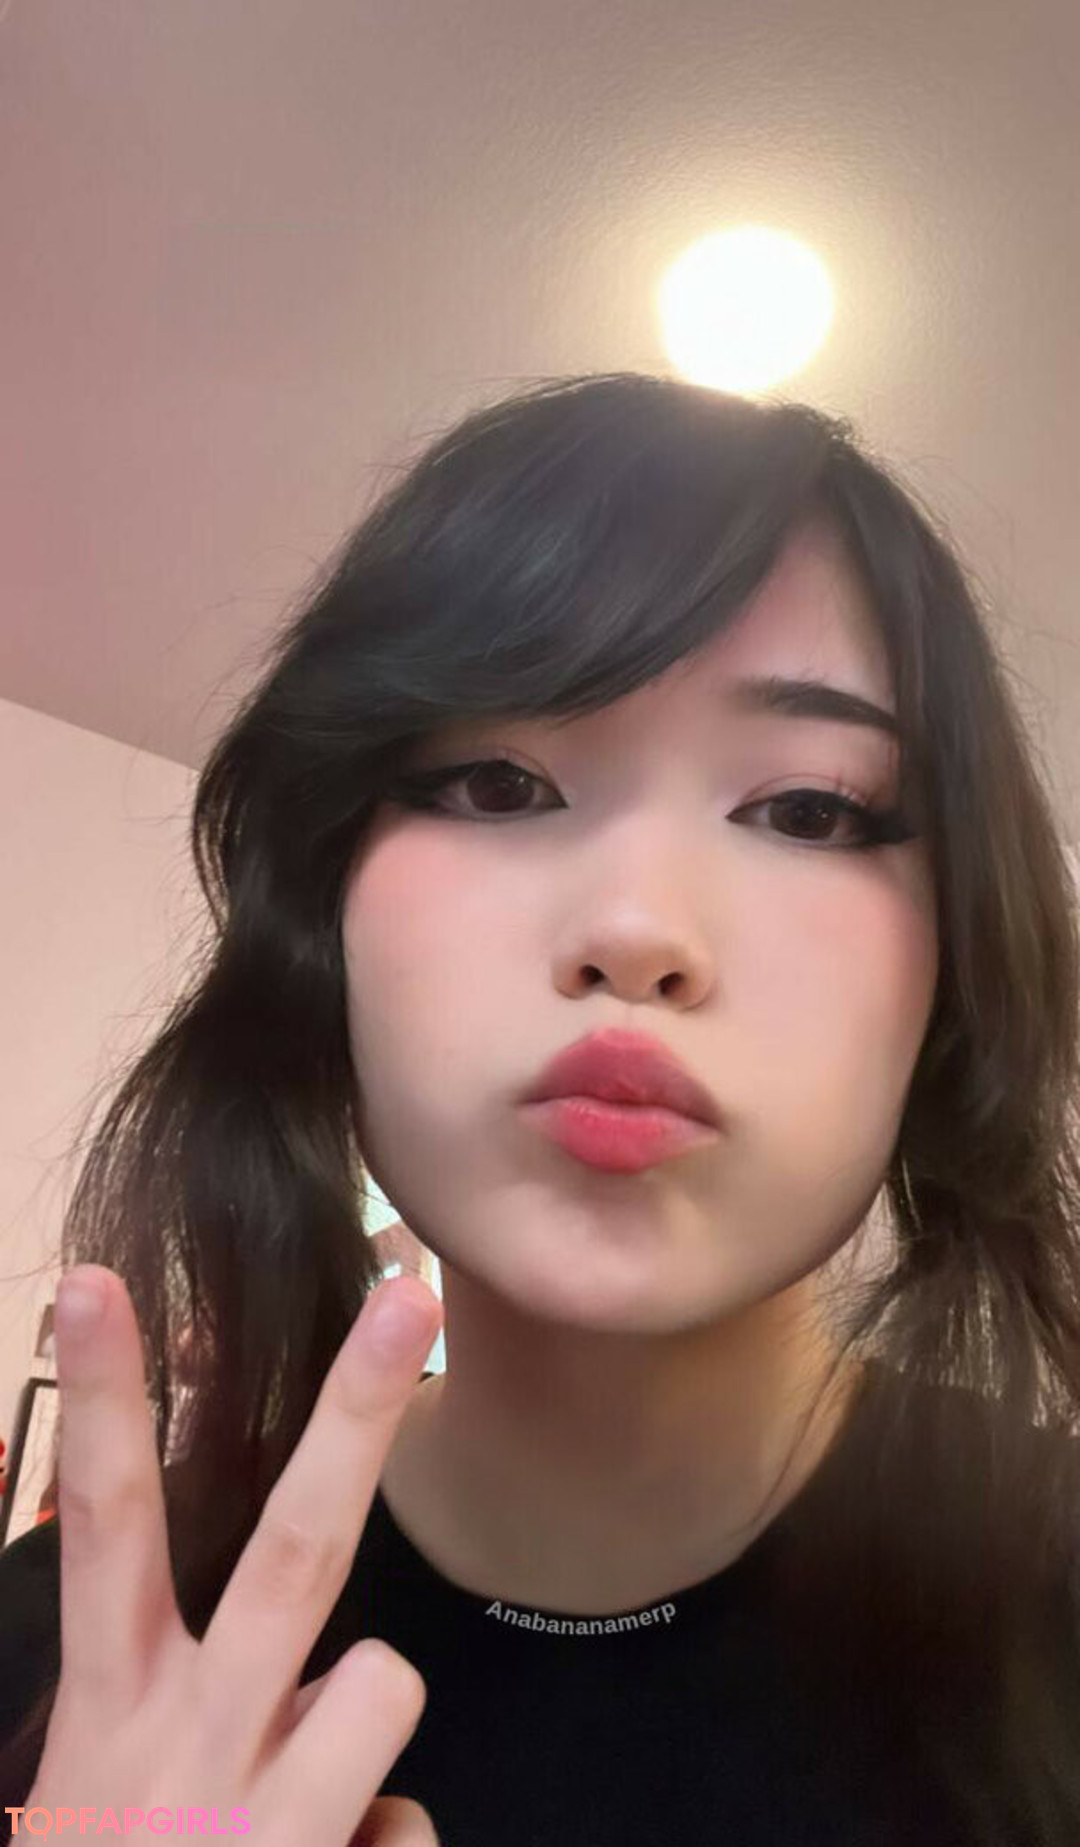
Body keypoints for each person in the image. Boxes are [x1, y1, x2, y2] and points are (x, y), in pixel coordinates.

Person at [2, 370, 1080, 1846]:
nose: (636, 929)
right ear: (320, 918)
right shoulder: (54, 1672)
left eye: (809, 810)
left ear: (954, 969)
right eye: (498, 787)